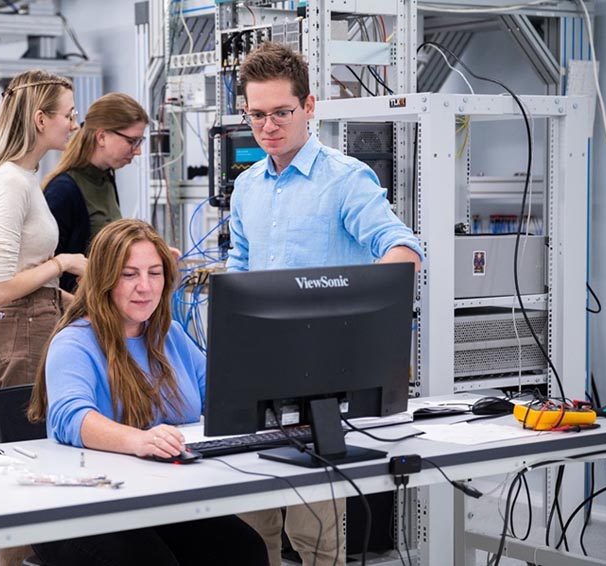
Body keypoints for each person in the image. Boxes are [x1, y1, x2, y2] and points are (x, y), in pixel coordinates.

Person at [226, 43, 424, 566]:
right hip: (257, 372)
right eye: (256, 115)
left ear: (309, 106)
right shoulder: (247, 187)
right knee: (248, 531)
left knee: (315, 535)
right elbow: (239, 268)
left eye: (281, 112)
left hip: (322, 378)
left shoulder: (344, 178)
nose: (268, 127)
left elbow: (402, 250)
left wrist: (358, 321)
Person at [26, 219, 268, 566]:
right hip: (83, 509)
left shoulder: (169, 335)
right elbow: (71, 417)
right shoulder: (74, 341)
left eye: (155, 273)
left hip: (157, 497)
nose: (145, 287)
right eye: (129, 275)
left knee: (245, 549)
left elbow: (221, 395)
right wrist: (139, 440)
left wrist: (279, 408)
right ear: (104, 279)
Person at [0, 69, 88, 566]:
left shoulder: (27, 178)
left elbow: (24, 271)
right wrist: (63, 263)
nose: (75, 125)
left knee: (41, 470)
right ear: (40, 119)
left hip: (39, 322)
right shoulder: (10, 182)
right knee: (26, 474)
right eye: (69, 115)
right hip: (21, 332)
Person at [42, 92, 149, 293]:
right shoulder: (63, 191)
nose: (138, 151)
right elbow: (45, 273)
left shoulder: (106, 179)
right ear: (101, 137)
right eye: (132, 141)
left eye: (139, 142)